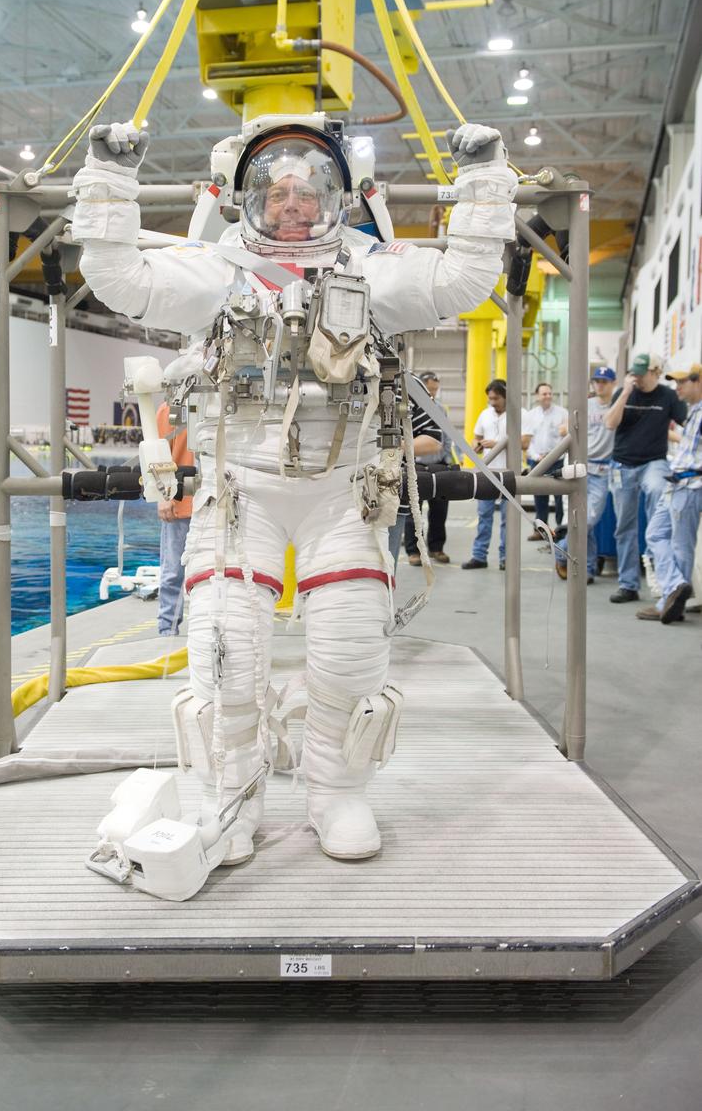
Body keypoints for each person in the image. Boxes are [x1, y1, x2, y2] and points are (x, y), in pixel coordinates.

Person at [72, 115, 517, 864]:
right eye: (274, 192)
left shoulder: (371, 268)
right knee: (224, 655)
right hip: (239, 491)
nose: (290, 204)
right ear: (246, 196)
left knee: (348, 653)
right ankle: (227, 800)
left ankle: (335, 792)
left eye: (306, 191)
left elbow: (464, 279)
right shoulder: (215, 271)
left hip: (340, 494)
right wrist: (110, 177)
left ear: (334, 197)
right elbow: (117, 278)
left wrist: (481, 179)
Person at [603, 352, 687, 604]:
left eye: (641, 373)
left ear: (655, 372)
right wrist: (626, 392)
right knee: (624, 527)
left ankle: (659, 575)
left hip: (654, 461)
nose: (636, 377)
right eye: (634, 373)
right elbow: (610, 423)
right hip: (622, 463)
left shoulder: (668, 396)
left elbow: (687, 422)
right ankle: (628, 584)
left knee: (656, 497)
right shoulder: (624, 393)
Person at [635, 363, 702, 624]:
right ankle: (675, 587)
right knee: (654, 534)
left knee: (680, 546)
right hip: (676, 483)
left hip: (690, 484)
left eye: (683, 382)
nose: (678, 388)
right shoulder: (693, 412)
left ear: (698, 382)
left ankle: (671, 603)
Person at [554, 366, 616, 584]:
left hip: (602, 471)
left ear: (613, 383)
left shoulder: (617, 406)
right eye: (597, 381)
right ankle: (588, 569)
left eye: (604, 381)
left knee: (588, 522)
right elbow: (563, 429)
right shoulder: (585, 405)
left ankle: (561, 551)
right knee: (582, 523)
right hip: (579, 468)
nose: (600, 384)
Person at [462, 379, 532, 572]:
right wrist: (476, 445)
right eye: (490, 398)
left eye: (496, 398)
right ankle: (479, 556)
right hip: (487, 473)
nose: (493, 402)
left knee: (508, 519)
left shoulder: (520, 414)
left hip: (511, 474)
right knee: (484, 516)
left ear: (506, 396)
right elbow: (476, 437)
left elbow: (525, 443)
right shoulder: (485, 414)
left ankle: (506, 558)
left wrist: (496, 444)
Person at [387, 396, 442, 573]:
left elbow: (434, 440)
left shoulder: (407, 386)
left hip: (389, 500)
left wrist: (391, 447)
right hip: (332, 497)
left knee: (383, 577)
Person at [404, 370, 454, 564]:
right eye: (429, 390)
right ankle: (414, 552)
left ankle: (436, 548)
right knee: (412, 512)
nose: (432, 393)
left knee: (439, 512)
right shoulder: (410, 409)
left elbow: (447, 436)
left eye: (435, 389)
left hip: (440, 467)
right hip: (417, 466)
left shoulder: (440, 409)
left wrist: (446, 459)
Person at [155, 401, 194, 637]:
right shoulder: (169, 410)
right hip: (179, 502)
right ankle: (167, 629)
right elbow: (158, 455)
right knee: (173, 572)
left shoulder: (223, 401)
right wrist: (164, 495)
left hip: (216, 501)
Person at [524, 381, 567, 537]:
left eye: (550, 393)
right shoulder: (531, 415)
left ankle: (560, 531)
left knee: (560, 497)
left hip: (557, 461)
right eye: (544, 393)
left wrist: (554, 455)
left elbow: (567, 438)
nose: (548, 396)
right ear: (537, 396)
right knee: (540, 497)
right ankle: (540, 531)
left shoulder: (562, 413)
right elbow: (528, 441)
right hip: (537, 461)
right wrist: (536, 456)